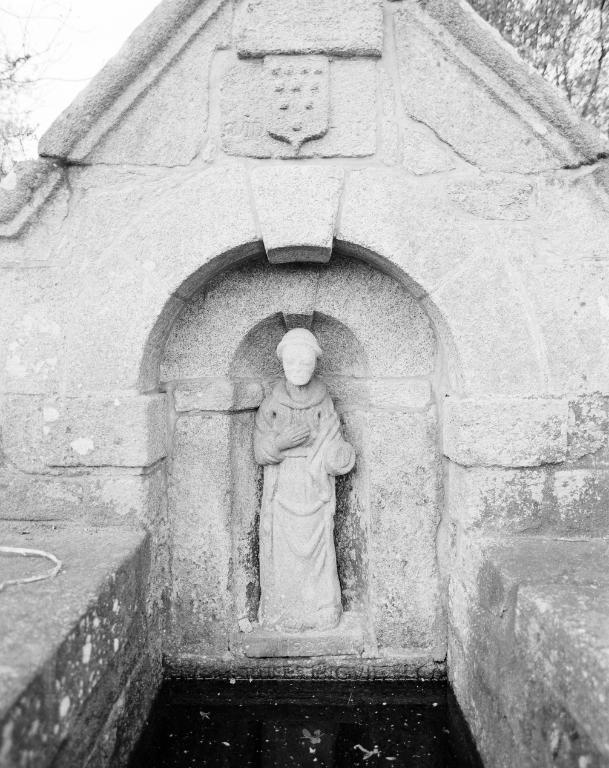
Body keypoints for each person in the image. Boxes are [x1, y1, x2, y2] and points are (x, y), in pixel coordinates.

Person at [254, 328, 355, 632]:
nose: (298, 368)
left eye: (305, 363)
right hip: (283, 487)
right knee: (282, 551)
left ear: (315, 365)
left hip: (315, 488)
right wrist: (280, 443)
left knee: (320, 549)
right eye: (292, 363)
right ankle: (283, 609)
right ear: (282, 364)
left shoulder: (324, 403)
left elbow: (334, 443)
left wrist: (337, 455)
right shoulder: (272, 405)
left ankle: (322, 607)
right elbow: (259, 450)